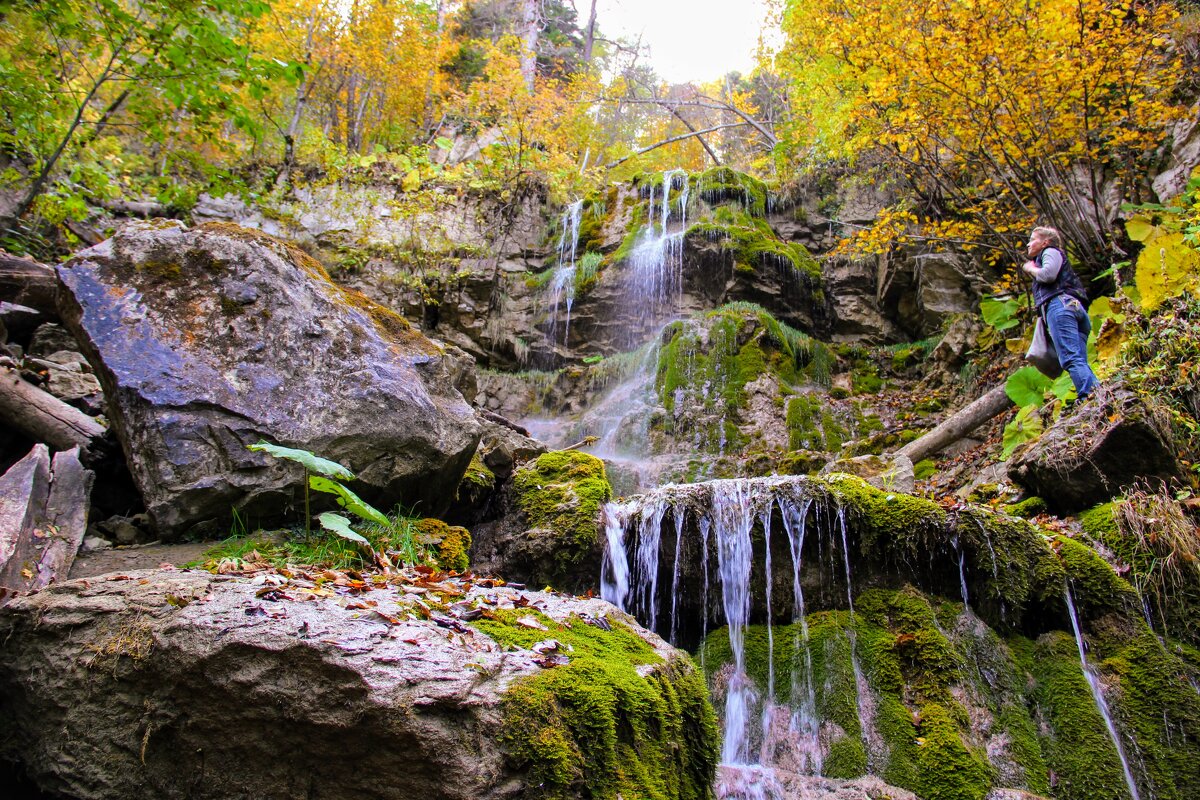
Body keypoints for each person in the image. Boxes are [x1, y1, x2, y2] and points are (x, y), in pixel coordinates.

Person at [1021, 226, 1100, 399]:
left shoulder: (1050, 252)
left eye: (1033, 239)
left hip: (1060, 307)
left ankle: (1090, 397)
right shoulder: (1049, 254)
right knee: (1078, 359)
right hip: (1073, 308)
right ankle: (1100, 394)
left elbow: (1048, 275)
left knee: (1070, 358)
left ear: (1045, 242)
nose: (1028, 243)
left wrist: (1030, 269)